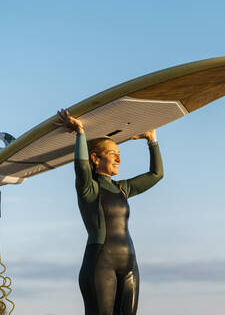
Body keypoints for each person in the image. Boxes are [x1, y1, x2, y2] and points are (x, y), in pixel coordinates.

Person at [56, 109, 163, 315]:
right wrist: (80, 132)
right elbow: (81, 167)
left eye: (119, 155)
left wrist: (152, 140)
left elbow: (156, 174)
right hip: (100, 265)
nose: (119, 160)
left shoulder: (123, 188)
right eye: (113, 154)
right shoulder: (89, 189)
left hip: (130, 266)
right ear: (95, 159)